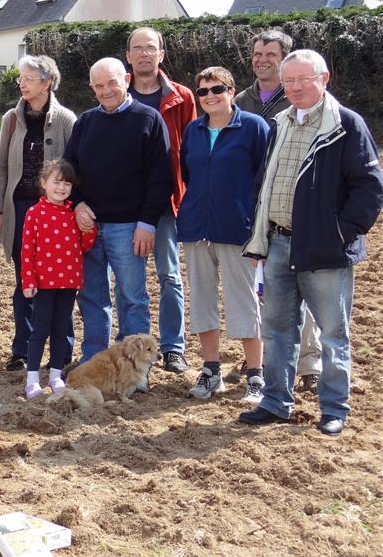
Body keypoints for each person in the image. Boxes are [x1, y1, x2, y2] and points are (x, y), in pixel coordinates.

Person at [239, 49, 383, 436]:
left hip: (326, 250)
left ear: (325, 79)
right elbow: (264, 182)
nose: (297, 87)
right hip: (279, 243)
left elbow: (369, 189)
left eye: (305, 79)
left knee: (333, 332)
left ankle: (334, 407)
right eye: (290, 81)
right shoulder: (280, 123)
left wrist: (339, 234)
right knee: (277, 329)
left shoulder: (346, 125)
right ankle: (275, 402)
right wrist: (262, 234)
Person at [63, 57, 172, 363]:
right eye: (99, 86)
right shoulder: (85, 123)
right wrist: (77, 203)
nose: (106, 90)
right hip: (89, 226)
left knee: (132, 298)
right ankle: (96, 362)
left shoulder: (148, 119)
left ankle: (134, 368)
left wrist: (147, 223)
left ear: (126, 79)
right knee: (91, 297)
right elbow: (69, 171)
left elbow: (160, 178)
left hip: (129, 226)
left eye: (112, 82)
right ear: (92, 88)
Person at [235, 30, 323, 394]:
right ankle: (265, 357)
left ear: (284, 59)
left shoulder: (300, 98)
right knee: (263, 290)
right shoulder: (241, 100)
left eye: (270, 54)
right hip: (254, 208)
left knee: (304, 286)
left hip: (294, 208)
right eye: (257, 53)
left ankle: (309, 362)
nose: (261, 60)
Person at [176, 67, 270, 402]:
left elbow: (264, 179)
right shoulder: (194, 131)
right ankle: (211, 370)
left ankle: (256, 375)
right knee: (202, 301)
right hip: (197, 228)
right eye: (202, 92)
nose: (210, 96)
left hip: (237, 230)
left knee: (243, 302)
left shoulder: (254, 128)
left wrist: (256, 223)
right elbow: (189, 174)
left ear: (231, 90)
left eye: (217, 89)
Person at [0, 54, 77, 372]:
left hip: (56, 214)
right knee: (25, 280)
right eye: (20, 79)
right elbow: (0, 166)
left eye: (27, 78)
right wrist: (0, 208)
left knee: (59, 283)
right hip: (20, 210)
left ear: (46, 82)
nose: (21, 83)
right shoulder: (10, 120)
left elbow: (75, 169)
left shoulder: (68, 119)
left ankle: (63, 351)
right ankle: (22, 350)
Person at [125, 27, 197, 374]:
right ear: (128, 56)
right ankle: (135, 349)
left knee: (169, 276)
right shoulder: (115, 92)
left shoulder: (182, 97)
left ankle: (173, 347)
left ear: (161, 54)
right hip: (126, 205)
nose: (143, 54)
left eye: (150, 48)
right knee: (130, 281)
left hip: (167, 204)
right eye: (137, 48)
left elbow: (191, 151)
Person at [20, 159, 96, 399]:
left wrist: (89, 229)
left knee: (61, 330)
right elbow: (27, 250)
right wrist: (28, 280)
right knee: (40, 329)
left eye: (67, 183)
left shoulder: (73, 214)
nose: (61, 188)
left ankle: (55, 375)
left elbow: (85, 245)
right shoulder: (34, 213)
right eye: (56, 182)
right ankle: (32, 378)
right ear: (44, 183)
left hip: (68, 282)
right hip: (43, 283)